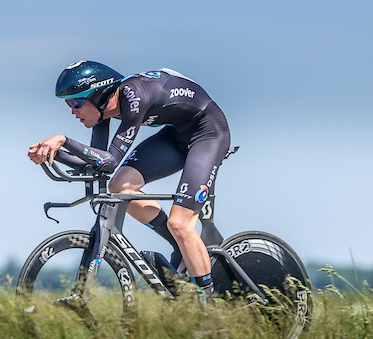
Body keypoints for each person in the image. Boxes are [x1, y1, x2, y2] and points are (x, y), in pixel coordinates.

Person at [28, 60, 231, 305]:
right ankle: (178, 247)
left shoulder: (134, 97)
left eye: (76, 103)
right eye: (69, 105)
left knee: (181, 224)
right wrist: (51, 153)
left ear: (99, 94)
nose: (73, 111)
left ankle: (208, 310)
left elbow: (111, 160)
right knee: (120, 187)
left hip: (208, 133)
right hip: (176, 134)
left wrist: (63, 140)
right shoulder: (103, 112)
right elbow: (95, 162)